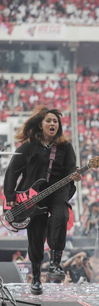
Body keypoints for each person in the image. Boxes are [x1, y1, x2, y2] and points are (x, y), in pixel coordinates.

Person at [3, 106, 81, 295]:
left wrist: (75, 175)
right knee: (36, 233)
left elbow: (71, 168)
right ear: (40, 124)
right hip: (33, 194)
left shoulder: (65, 146)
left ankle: (55, 263)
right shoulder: (29, 146)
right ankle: (36, 276)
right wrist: (10, 196)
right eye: (49, 120)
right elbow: (13, 170)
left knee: (60, 217)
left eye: (55, 121)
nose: (53, 123)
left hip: (58, 190)